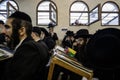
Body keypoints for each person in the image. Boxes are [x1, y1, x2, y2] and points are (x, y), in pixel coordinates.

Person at [2, 11, 49, 80]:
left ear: (21, 31)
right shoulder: (32, 45)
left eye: (7, 27)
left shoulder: (28, 48)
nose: (3, 31)